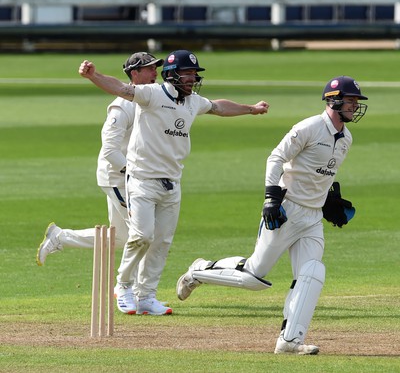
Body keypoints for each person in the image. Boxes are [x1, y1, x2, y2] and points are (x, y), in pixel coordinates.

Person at [176, 76, 368, 354]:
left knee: (311, 273)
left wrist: (328, 200)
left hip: (312, 218)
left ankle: (290, 341)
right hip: (286, 210)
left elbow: (319, 175)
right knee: (253, 277)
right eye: (350, 101)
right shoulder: (309, 127)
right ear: (333, 100)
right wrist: (271, 198)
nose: (354, 106)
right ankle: (199, 271)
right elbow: (276, 158)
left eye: (356, 102)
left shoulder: (346, 138)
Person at [78, 49, 269, 316]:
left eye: (194, 74)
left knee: (162, 242)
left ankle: (146, 297)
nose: (192, 79)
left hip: (172, 182)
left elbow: (218, 106)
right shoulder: (152, 94)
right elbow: (121, 87)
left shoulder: (192, 101)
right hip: (142, 179)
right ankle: (123, 286)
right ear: (171, 75)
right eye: (187, 74)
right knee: (142, 236)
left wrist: (251, 109)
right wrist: (93, 76)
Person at [36, 52, 164, 314]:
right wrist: (132, 173)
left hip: (134, 176)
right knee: (143, 234)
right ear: (134, 74)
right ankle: (135, 292)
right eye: (149, 69)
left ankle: (61, 237)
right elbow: (110, 149)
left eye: (155, 68)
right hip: (118, 176)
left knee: (121, 239)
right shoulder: (122, 105)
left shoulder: (151, 100)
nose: (155, 73)